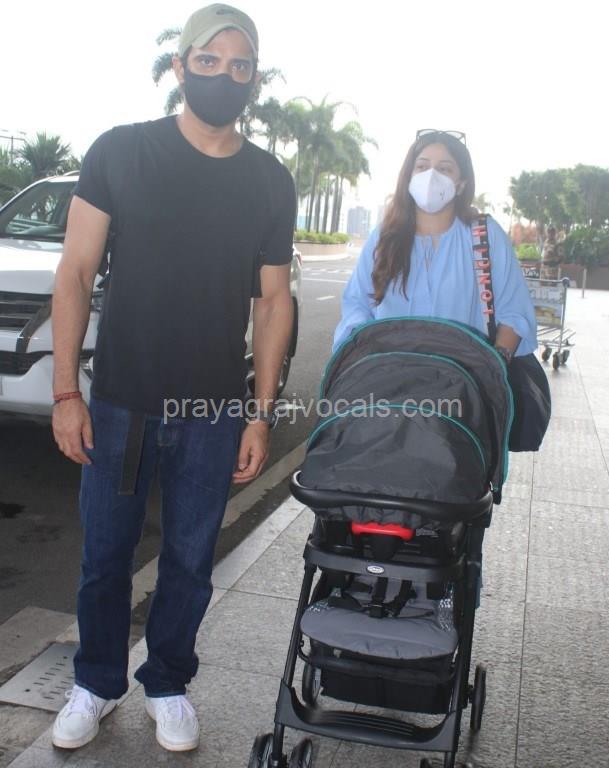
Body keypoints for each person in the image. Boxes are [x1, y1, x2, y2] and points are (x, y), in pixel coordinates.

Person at [51, 3, 295, 752]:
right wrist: (66, 392)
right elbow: (76, 271)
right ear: (181, 66)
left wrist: (259, 415)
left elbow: (273, 301)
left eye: (240, 65)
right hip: (120, 401)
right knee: (104, 558)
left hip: (211, 410)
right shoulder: (121, 152)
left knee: (190, 560)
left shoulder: (268, 180)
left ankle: (166, 682)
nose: (224, 75)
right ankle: (96, 681)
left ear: (254, 77)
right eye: (209, 60)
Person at [333, 129, 537, 364]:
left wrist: (493, 369)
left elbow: (514, 312)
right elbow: (357, 304)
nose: (431, 176)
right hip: (389, 378)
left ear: (461, 184)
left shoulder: (485, 236)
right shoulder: (383, 237)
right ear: (409, 177)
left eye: (445, 169)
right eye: (422, 166)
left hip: (465, 381)